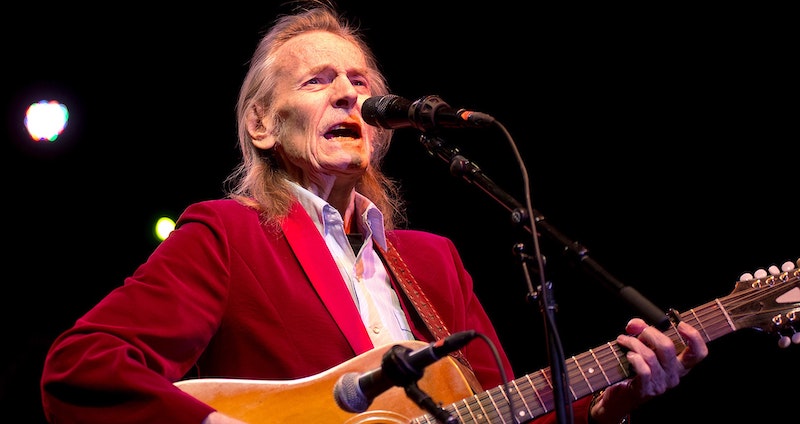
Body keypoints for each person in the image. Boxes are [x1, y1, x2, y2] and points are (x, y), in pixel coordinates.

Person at [40, 1, 708, 423]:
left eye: (361, 83)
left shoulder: (432, 261)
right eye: (317, 80)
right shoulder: (229, 234)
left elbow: (503, 410)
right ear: (262, 125)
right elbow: (83, 368)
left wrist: (616, 400)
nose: (347, 95)